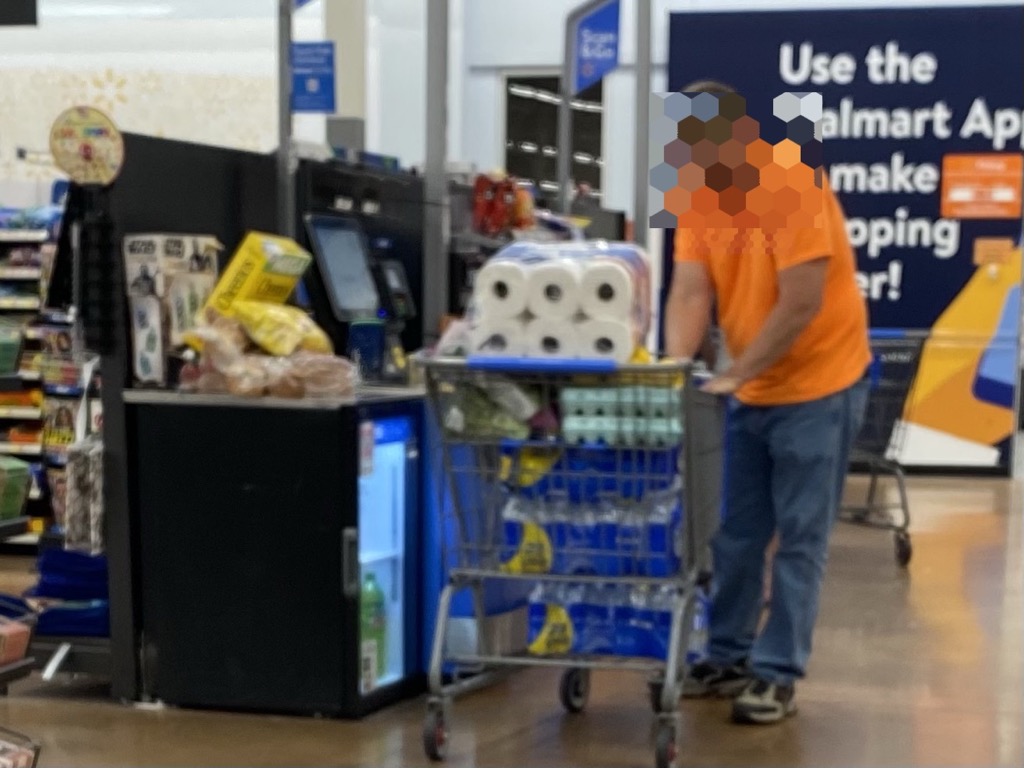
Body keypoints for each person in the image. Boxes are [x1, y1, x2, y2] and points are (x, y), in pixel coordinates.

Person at [665, 80, 871, 725]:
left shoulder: (791, 184)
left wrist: (737, 370)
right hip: (752, 387)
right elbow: (691, 292)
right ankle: (727, 655)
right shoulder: (696, 195)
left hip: (820, 381)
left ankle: (777, 672)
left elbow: (803, 299)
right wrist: (676, 367)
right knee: (737, 533)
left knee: (799, 537)